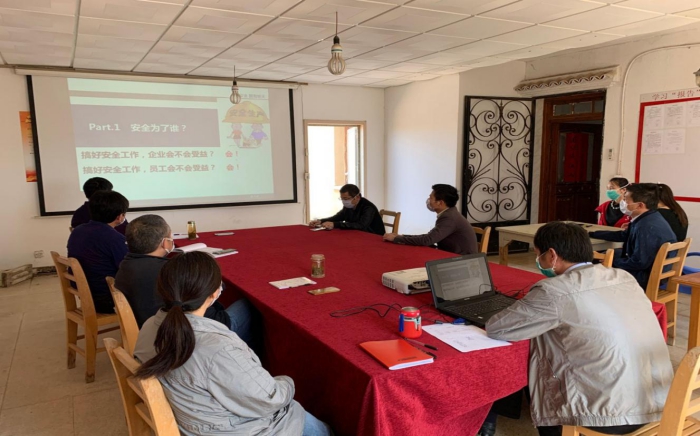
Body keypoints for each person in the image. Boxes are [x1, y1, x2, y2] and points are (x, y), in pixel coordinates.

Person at [486, 222, 673, 436]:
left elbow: (497, 328)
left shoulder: (553, 290)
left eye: (538, 255)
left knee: (541, 366)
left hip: (607, 416)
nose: (538, 261)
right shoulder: (623, 277)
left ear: (552, 255)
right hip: (657, 400)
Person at [134, 252, 332, 436]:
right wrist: (288, 382)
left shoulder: (150, 325)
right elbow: (270, 399)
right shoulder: (217, 348)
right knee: (319, 428)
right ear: (214, 293)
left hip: (196, 419)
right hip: (232, 429)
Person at [114, 214, 255, 346]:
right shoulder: (169, 272)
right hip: (189, 335)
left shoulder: (126, 264)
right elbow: (210, 293)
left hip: (153, 329)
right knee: (250, 305)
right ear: (165, 243)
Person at [589, 183, 676, 290]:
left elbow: (639, 262)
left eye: (626, 200)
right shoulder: (650, 217)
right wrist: (592, 233)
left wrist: (612, 261)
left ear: (640, 205)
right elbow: (623, 235)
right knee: (605, 255)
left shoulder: (645, 227)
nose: (623, 202)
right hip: (648, 269)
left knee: (593, 266)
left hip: (644, 276)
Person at [67, 190, 129, 314]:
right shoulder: (114, 238)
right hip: (106, 298)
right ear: (120, 216)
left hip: (85, 292)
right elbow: (127, 268)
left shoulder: (78, 231)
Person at [383, 184, 477, 255]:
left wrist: (398, 239)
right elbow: (430, 236)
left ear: (440, 203)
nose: (428, 200)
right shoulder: (450, 213)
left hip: (460, 260)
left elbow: (428, 240)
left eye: (431, 198)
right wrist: (402, 236)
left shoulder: (449, 218)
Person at [309, 183, 385, 235]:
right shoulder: (349, 206)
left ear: (357, 197)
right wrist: (321, 221)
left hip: (373, 236)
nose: (344, 201)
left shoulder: (368, 207)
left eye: (346, 199)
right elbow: (339, 217)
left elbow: (361, 225)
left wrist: (335, 224)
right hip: (356, 234)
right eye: (342, 199)